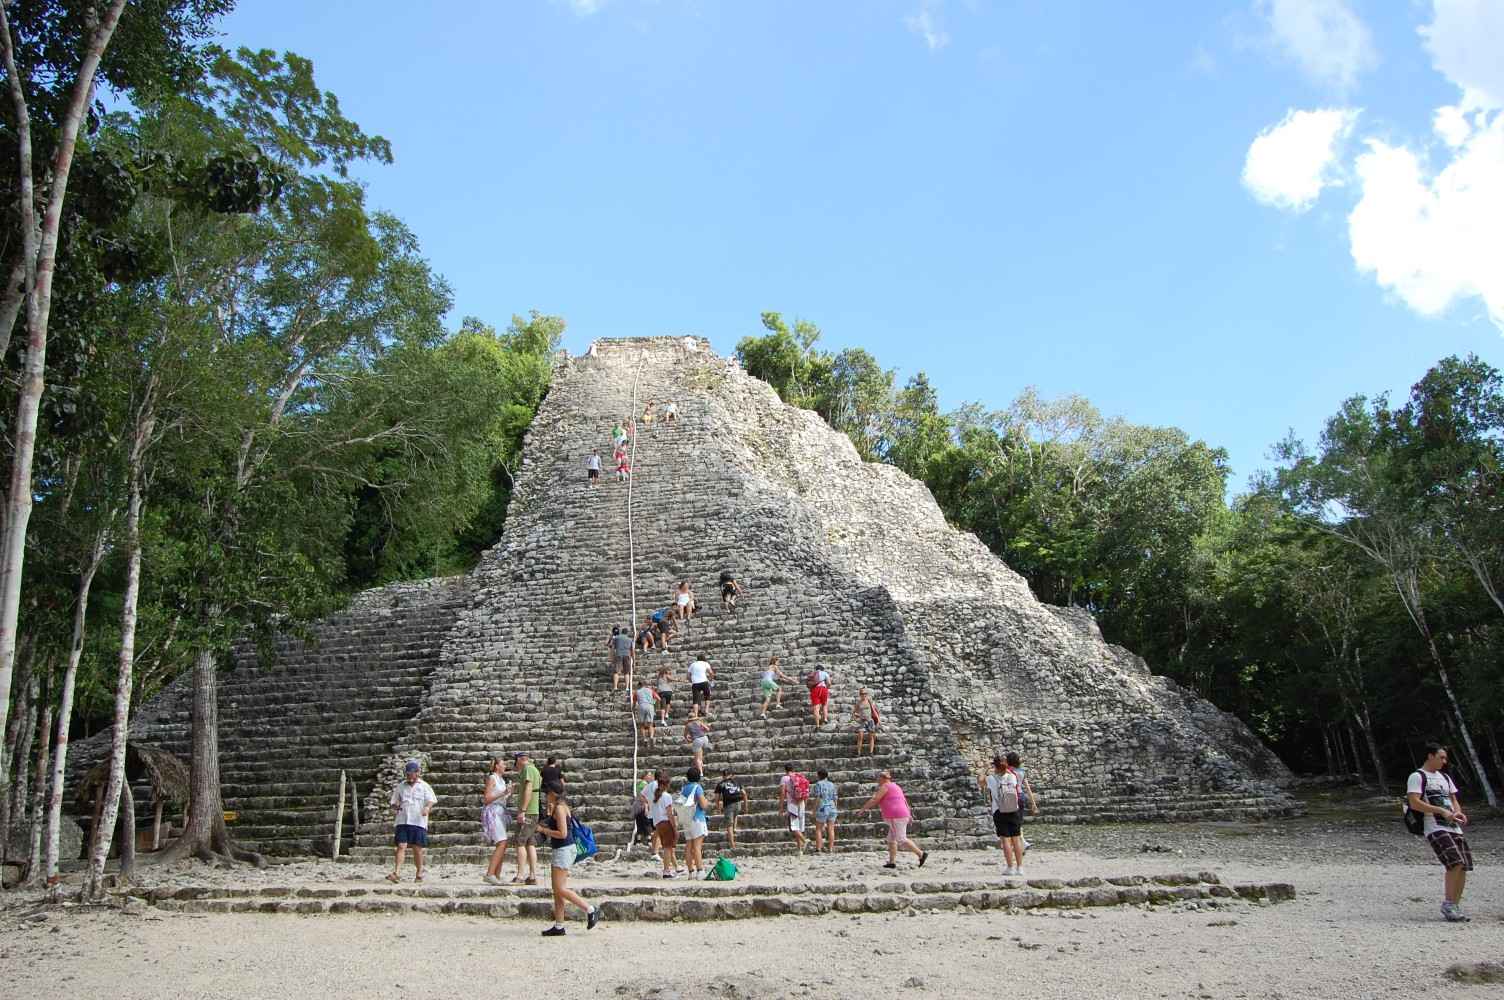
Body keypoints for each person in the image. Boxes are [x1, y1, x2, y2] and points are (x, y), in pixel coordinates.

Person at [1407, 743, 1474, 922]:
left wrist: (1457, 812)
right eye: (1441, 757)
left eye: (1445, 758)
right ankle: (1449, 904)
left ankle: (1455, 904)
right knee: (1455, 862)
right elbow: (1414, 802)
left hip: (1454, 827)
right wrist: (1440, 811)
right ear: (1430, 756)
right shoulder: (1417, 776)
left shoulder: (1445, 777)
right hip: (1435, 827)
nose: (1444, 761)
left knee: (1464, 866)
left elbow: (1453, 799)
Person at [537, 786, 600, 936]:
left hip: (563, 849)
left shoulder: (559, 809)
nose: (545, 796)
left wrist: (543, 830)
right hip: (564, 849)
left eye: (547, 793)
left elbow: (563, 833)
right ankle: (559, 926)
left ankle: (590, 909)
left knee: (560, 889)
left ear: (552, 793)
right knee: (558, 890)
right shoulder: (561, 807)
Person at [856, 770, 927, 870]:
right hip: (901, 814)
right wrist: (909, 814)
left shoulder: (885, 787)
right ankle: (892, 862)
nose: (878, 780)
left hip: (895, 816)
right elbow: (904, 800)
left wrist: (862, 809)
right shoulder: (896, 786)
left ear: (884, 778)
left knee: (901, 839)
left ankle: (921, 854)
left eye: (879, 778)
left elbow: (875, 799)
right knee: (891, 839)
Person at [387, 759, 437, 883]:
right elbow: (393, 802)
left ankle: (419, 872)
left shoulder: (424, 786)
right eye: (407, 774)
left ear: (417, 773)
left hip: (418, 821)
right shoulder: (400, 786)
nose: (409, 777)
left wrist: (427, 808)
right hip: (402, 820)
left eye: (411, 774)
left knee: (417, 848)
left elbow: (431, 800)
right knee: (401, 846)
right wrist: (396, 806)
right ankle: (397, 873)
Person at [982, 754, 1024, 875]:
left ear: (995, 766)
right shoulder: (1012, 776)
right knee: (1016, 839)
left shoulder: (991, 779)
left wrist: (985, 769)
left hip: (999, 811)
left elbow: (980, 781)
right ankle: (1020, 867)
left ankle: (1010, 867)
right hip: (1013, 809)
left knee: (1005, 840)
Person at [510, 750, 542, 885]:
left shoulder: (527, 769)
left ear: (519, 760)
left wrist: (522, 810)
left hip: (528, 811)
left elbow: (529, 789)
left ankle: (520, 876)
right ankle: (533, 876)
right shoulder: (535, 769)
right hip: (534, 811)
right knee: (530, 843)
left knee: (520, 841)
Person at [481, 756, 510, 884]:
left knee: (503, 843)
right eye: (503, 764)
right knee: (502, 842)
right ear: (497, 766)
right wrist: (503, 793)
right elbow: (486, 798)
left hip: (501, 812)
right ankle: (490, 873)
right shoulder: (492, 778)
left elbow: (502, 797)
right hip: (493, 812)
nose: (505, 766)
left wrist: (509, 793)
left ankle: (497, 874)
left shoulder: (502, 780)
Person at [681, 767, 711, 878]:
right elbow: (703, 805)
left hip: (687, 820)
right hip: (697, 818)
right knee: (697, 846)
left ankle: (690, 872)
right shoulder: (697, 787)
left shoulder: (684, 788)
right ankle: (700, 870)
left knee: (689, 846)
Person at [714, 770, 747, 852]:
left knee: (729, 825)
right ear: (732, 775)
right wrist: (745, 806)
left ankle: (732, 845)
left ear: (723, 776)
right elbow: (744, 793)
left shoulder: (720, 784)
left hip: (729, 805)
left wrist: (718, 808)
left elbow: (717, 798)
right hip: (738, 803)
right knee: (735, 815)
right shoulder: (737, 782)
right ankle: (734, 829)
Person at [778, 764, 808, 854]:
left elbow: (783, 793)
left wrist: (781, 807)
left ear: (785, 770)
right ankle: (799, 850)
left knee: (794, 827)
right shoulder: (799, 776)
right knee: (799, 827)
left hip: (792, 805)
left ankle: (805, 841)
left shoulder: (784, 778)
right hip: (801, 803)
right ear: (793, 769)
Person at [653, 778, 680, 877]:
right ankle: (666, 870)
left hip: (658, 824)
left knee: (665, 848)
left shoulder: (656, 797)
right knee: (668, 848)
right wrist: (674, 827)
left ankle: (668, 869)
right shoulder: (667, 796)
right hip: (666, 823)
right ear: (667, 785)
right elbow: (669, 813)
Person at [631, 769, 658, 853]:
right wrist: (647, 807)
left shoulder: (640, 784)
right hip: (642, 807)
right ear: (645, 776)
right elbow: (644, 798)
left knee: (639, 824)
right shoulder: (644, 784)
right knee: (646, 824)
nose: (650, 777)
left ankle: (638, 841)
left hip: (637, 807)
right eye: (649, 775)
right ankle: (649, 841)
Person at [812, 769, 838, 853]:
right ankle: (831, 848)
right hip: (832, 807)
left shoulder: (818, 784)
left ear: (819, 775)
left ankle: (818, 848)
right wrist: (835, 807)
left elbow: (818, 798)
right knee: (831, 828)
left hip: (822, 807)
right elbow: (835, 798)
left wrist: (814, 810)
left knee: (818, 829)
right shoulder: (832, 784)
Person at [851, 688, 881, 755]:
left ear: (866, 694)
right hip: (862, 721)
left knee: (871, 736)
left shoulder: (869, 701)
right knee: (860, 736)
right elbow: (854, 713)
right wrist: (856, 719)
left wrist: (878, 720)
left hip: (870, 720)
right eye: (862, 693)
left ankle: (871, 752)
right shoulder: (858, 703)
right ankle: (858, 752)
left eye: (865, 693)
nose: (863, 695)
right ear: (860, 694)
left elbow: (874, 711)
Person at [607, 625, 634, 691]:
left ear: (622, 632)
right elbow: (632, 651)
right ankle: (627, 687)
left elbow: (612, 647)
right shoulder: (630, 640)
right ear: (627, 633)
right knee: (626, 672)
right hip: (627, 655)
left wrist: (611, 656)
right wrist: (633, 659)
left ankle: (615, 687)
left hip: (618, 654)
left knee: (616, 671)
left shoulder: (616, 638)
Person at [634, 680, 660, 745]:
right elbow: (658, 698)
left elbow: (634, 702)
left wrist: (633, 709)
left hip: (641, 706)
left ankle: (644, 739)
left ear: (639, 685)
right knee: (650, 723)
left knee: (642, 724)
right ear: (645, 685)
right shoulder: (650, 690)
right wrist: (654, 704)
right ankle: (651, 737)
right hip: (650, 706)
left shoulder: (637, 692)